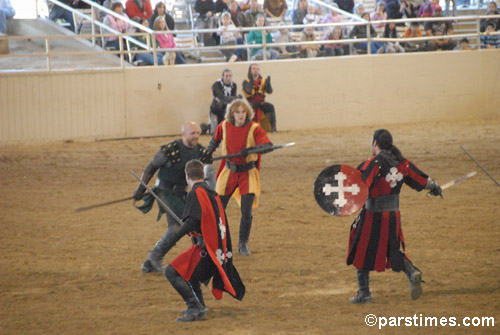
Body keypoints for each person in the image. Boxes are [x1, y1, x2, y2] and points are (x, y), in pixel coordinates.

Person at [347, 129, 443, 304]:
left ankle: (365, 294)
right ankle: (412, 272)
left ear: (375, 143)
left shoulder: (373, 163)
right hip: (392, 216)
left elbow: (358, 185)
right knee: (393, 249)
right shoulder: (402, 164)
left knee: (360, 248)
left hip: (372, 216)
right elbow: (422, 180)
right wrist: (435, 187)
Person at [162, 159, 245, 322]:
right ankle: (200, 306)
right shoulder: (210, 192)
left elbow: (193, 221)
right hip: (212, 250)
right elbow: (203, 220)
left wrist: (174, 238)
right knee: (191, 275)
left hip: (205, 251)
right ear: (202, 175)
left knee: (171, 272)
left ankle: (194, 307)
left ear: (187, 176)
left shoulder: (196, 193)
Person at [132, 122, 212, 273]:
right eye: (192, 133)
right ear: (183, 134)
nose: (196, 136)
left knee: (189, 224)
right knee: (179, 225)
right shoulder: (169, 150)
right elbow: (151, 168)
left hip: (182, 193)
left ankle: (151, 263)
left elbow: (207, 170)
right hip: (164, 191)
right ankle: (154, 257)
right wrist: (140, 189)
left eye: (197, 133)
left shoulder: (200, 152)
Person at [206, 99, 273, 256]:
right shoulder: (224, 126)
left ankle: (243, 244)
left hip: (247, 173)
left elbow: (267, 146)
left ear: (247, 113)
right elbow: (214, 141)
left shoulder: (254, 128)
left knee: (246, 211)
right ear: (232, 114)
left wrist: (252, 149)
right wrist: (208, 153)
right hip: (229, 172)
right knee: (218, 209)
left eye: (243, 112)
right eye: (237, 112)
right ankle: (216, 241)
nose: (240, 115)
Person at [242, 63, 277, 133]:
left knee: (270, 107)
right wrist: (252, 81)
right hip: (251, 104)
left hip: (261, 103)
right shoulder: (246, 81)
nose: (256, 70)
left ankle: (273, 128)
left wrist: (268, 84)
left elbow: (270, 91)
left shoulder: (263, 80)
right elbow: (248, 91)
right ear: (250, 70)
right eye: (254, 69)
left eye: (257, 69)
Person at [210, 68, 239, 133]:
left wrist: (233, 98)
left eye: (230, 76)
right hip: (217, 106)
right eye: (226, 76)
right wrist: (232, 98)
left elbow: (233, 98)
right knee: (222, 107)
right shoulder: (217, 85)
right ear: (222, 76)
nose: (228, 78)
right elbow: (221, 97)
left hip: (228, 106)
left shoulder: (234, 85)